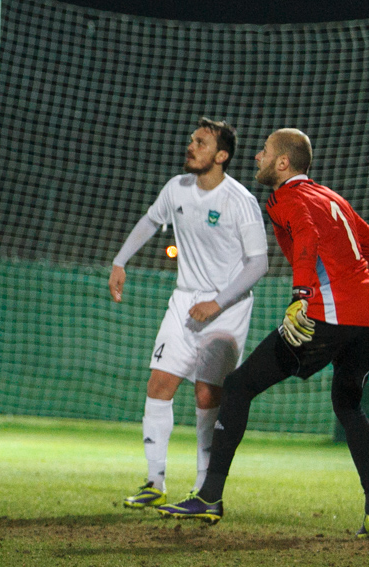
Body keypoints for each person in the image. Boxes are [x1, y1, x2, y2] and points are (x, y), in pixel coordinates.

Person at [160, 129, 369, 540]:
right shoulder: (333, 198)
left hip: (323, 316)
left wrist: (301, 295)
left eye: (265, 151)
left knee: (238, 386)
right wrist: (367, 299)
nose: (257, 157)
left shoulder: (288, 197)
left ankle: (210, 496)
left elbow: (307, 236)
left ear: (283, 163)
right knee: (349, 406)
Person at [109, 118, 267, 508]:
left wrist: (218, 303)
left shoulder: (239, 200)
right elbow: (150, 220)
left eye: (201, 142)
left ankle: (202, 488)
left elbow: (258, 264)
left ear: (222, 155)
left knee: (207, 394)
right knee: (159, 384)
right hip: (184, 301)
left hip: (227, 307)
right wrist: (120, 261)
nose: (191, 146)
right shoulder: (176, 188)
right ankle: (154, 482)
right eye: (192, 140)